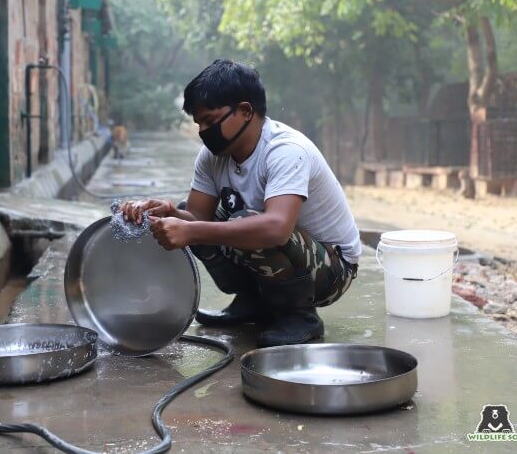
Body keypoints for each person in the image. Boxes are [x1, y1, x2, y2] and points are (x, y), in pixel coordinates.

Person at [121, 59, 361, 347]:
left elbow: (276, 229)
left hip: (332, 270)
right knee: (198, 218)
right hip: (288, 250)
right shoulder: (212, 156)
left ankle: (300, 317)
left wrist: (192, 230)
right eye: (199, 124)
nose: (203, 131)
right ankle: (253, 302)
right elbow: (197, 215)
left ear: (245, 111)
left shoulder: (286, 151)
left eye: (210, 120)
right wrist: (170, 213)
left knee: (240, 223)